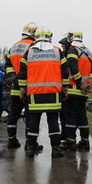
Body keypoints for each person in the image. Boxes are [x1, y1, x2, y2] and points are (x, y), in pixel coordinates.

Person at [18, 27, 69, 158]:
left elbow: (22, 73)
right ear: (49, 37)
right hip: (53, 94)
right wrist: (65, 89)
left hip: (35, 95)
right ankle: (56, 149)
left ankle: (30, 148)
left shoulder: (29, 52)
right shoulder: (57, 51)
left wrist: (23, 90)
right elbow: (64, 72)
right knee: (53, 122)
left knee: (33, 123)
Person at [61, 31, 92, 152]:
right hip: (83, 92)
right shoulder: (88, 52)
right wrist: (89, 84)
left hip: (73, 90)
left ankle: (70, 142)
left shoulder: (73, 50)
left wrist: (80, 83)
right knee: (82, 116)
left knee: (70, 116)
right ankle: (85, 141)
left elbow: (72, 67)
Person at [4, 22, 38, 149]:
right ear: (33, 33)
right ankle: (29, 143)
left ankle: (11, 140)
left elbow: (8, 66)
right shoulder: (33, 46)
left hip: (15, 86)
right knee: (30, 115)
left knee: (13, 114)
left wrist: (14, 77)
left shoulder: (13, 47)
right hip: (29, 86)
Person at [58, 31, 74, 142]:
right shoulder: (68, 55)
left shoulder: (67, 56)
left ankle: (67, 136)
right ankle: (65, 134)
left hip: (68, 89)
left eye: (63, 45)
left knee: (66, 115)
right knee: (64, 115)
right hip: (67, 88)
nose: (62, 47)